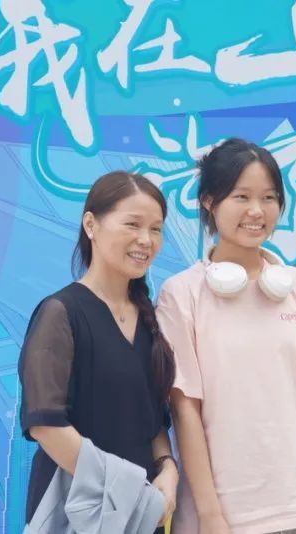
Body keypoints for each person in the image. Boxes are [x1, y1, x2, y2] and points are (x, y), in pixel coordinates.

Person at [157, 138, 296, 534]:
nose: (257, 211)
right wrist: (210, 515)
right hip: (224, 518)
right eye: (241, 196)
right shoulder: (182, 294)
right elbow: (184, 408)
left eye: (269, 197)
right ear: (209, 201)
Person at [18, 171, 179, 532]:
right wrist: (127, 491)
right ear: (91, 224)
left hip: (142, 515)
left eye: (156, 229)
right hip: (77, 513)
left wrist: (168, 468)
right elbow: (46, 425)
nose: (146, 240)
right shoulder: (60, 313)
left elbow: (153, 419)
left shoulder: (150, 320)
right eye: (133, 224)